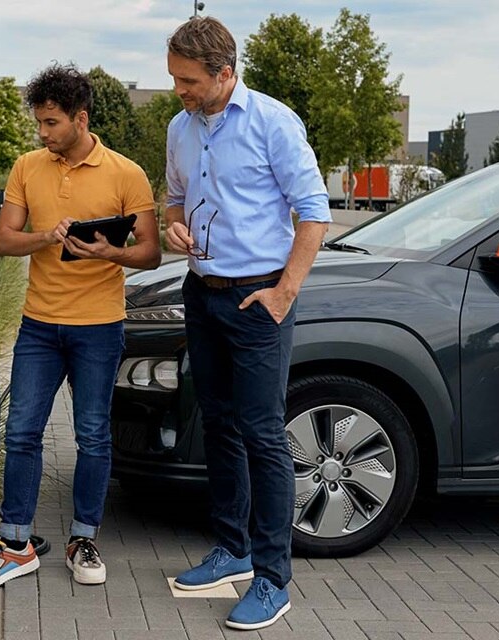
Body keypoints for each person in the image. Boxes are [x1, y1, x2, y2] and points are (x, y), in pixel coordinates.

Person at [0, 63, 161, 593]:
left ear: (80, 118)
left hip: (99, 326)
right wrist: (47, 237)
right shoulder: (28, 166)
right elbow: (4, 241)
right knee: (23, 431)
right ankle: (16, 545)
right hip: (39, 326)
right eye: (39, 123)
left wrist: (107, 251)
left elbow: (150, 252)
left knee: (93, 436)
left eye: (51, 123)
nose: (42, 133)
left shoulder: (126, 173)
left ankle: (83, 539)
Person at [162, 17, 331, 630]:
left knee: (263, 434)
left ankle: (272, 578)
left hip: (259, 300)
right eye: (173, 77)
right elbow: (174, 196)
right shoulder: (181, 128)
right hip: (202, 294)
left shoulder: (273, 122)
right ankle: (231, 550)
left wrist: (284, 293)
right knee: (221, 425)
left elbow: (314, 213)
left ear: (224, 73)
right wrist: (173, 223)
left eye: (187, 79)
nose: (178, 89)